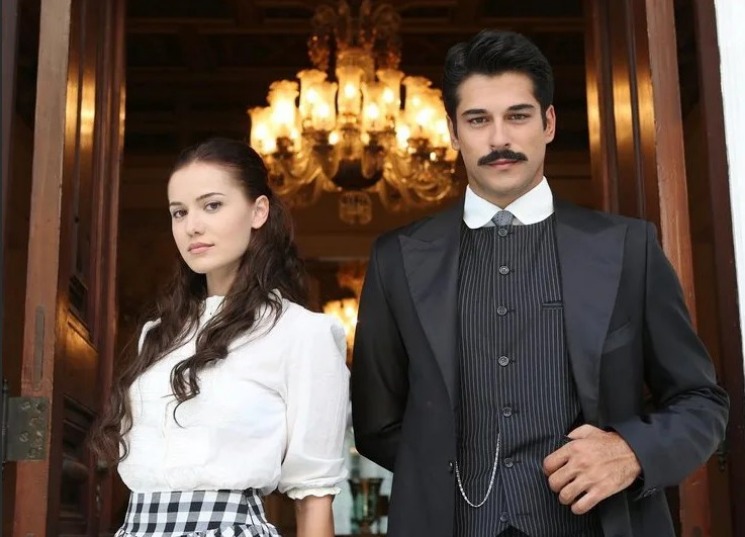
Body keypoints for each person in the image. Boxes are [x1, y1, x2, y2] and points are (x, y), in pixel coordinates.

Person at [350, 30, 729, 537]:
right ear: (452, 131)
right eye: (478, 120)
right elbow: (376, 424)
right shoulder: (397, 258)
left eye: (518, 116)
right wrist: (447, 477)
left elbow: (701, 400)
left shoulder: (627, 247)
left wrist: (631, 452)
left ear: (548, 123)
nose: (499, 139)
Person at [90, 138, 349, 537]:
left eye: (211, 205)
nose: (192, 225)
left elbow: (313, 496)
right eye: (179, 212)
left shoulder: (302, 334)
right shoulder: (158, 335)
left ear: (258, 211)